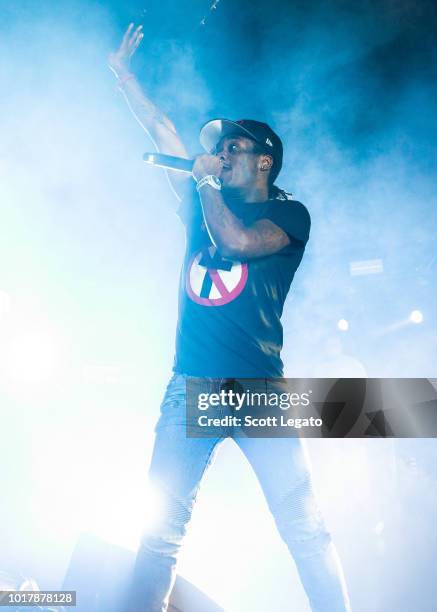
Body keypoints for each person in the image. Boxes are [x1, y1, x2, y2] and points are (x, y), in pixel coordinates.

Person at [108, 23, 351, 612]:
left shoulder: (289, 214)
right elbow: (161, 128)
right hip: (191, 385)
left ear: (264, 160)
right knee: (159, 533)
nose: (219, 154)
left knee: (305, 529)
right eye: (217, 148)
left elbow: (239, 243)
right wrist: (124, 79)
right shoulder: (201, 200)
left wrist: (206, 182)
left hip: (259, 387)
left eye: (233, 148)